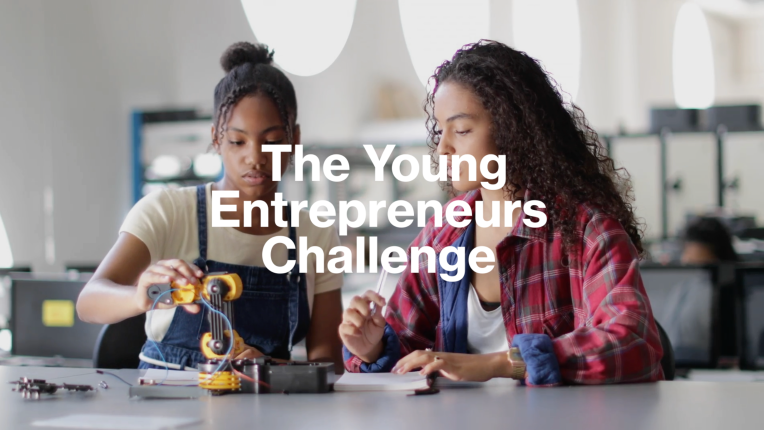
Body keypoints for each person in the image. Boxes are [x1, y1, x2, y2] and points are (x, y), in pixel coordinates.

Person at [339, 40, 663, 385]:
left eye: (461, 130)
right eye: (440, 130)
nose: (443, 147)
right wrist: (373, 348)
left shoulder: (586, 231)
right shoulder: (443, 233)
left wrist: (504, 364)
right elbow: (412, 349)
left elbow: (635, 341)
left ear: (513, 130)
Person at [77, 42, 344, 371]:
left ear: (295, 139)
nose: (255, 157)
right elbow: (89, 302)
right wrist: (138, 296)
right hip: (168, 407)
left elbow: (327, 364)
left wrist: (270, 367)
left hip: (269, 411)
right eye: (237, 141)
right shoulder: (168, 212)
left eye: (273, 141)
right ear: (216, 138)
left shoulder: (314, 235)